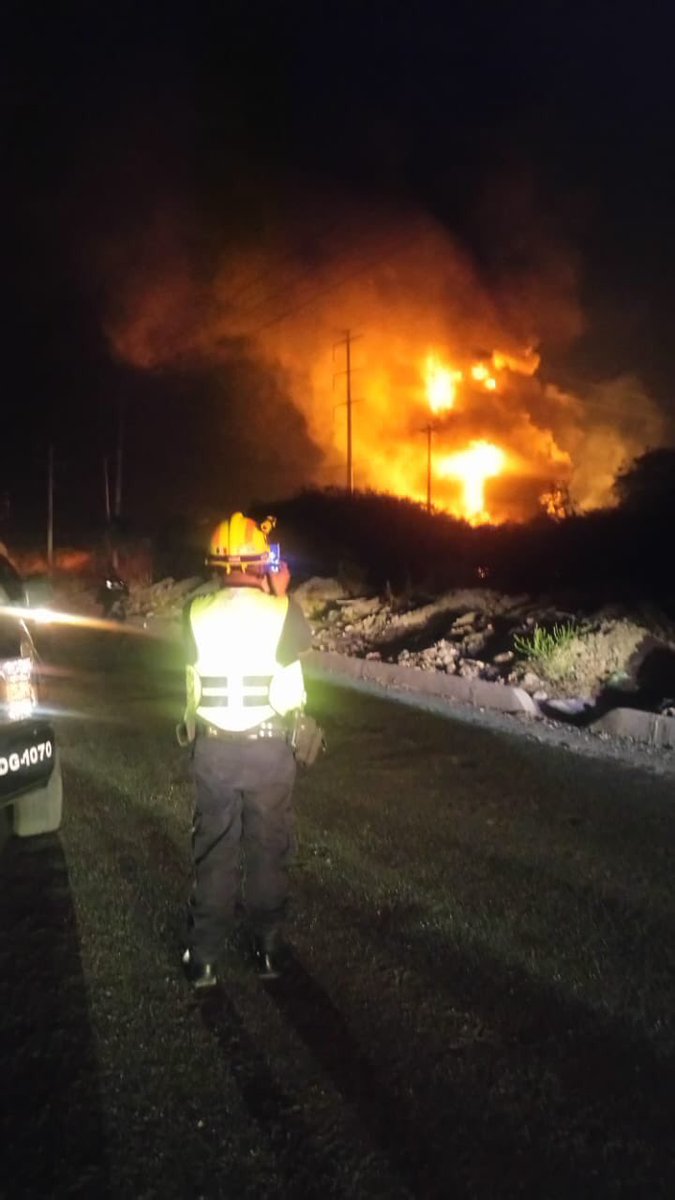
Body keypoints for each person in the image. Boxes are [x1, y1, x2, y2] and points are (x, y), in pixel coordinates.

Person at [179, 512, 311, 988]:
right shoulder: (283, 612)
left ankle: (205, 959)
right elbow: (297, 644)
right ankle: (269, 951)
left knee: (214, 848)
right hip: (269, 750)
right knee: (267, 848)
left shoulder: (193, 613)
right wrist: (280, 592)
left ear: (215, 563)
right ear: (263, 561)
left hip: (212, 749)